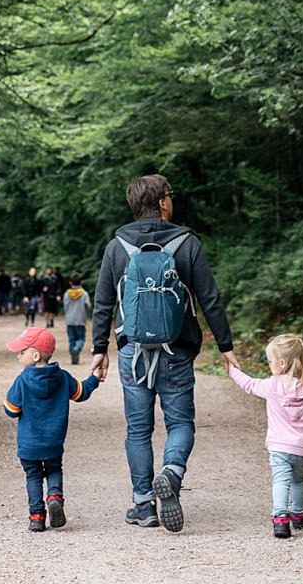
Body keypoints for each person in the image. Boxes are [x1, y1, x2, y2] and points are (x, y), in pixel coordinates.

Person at [91, 173, 240, 533]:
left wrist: (99, 349)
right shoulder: (186, 243)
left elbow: (103, 302)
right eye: (170, 195)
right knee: (180, 423)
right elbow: (210, 299)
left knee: (138, 430)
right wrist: (226, 347)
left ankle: (143, 504)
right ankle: (171, 474)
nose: (172, 200)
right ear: (161, 203)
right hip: (177, 351)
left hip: (133, 353)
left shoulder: (117, 246)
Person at [228, 333, 303, 539]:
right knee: (298, 481)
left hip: (280, 447)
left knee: (281, 481)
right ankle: (298, 516)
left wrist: (231, 369)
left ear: (281, 363)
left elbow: (249, 384)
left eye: (270, 361)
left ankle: (281, 519)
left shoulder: (273, 385)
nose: (269, 365)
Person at [3, 326, 100, 531]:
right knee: (54, 469)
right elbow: (81, 393)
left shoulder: (22, 380)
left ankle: (37, 517)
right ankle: (55, 496)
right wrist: (94, 378)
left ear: (36, 355)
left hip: (29, 444)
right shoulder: (62, 377)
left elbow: (11, 409)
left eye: (22, 352)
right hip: (54, 441)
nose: (19, 356)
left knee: (34, 476)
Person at [61, 271, 90, 365]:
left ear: (70, 283)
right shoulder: (84, 294)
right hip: (80, 319)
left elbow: (65, 306)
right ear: (81, 282)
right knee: (81, 338)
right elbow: (88, 305)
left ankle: (73, 354)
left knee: (71, 339)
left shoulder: (66, 294)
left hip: (70, 320)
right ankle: (76, 349)